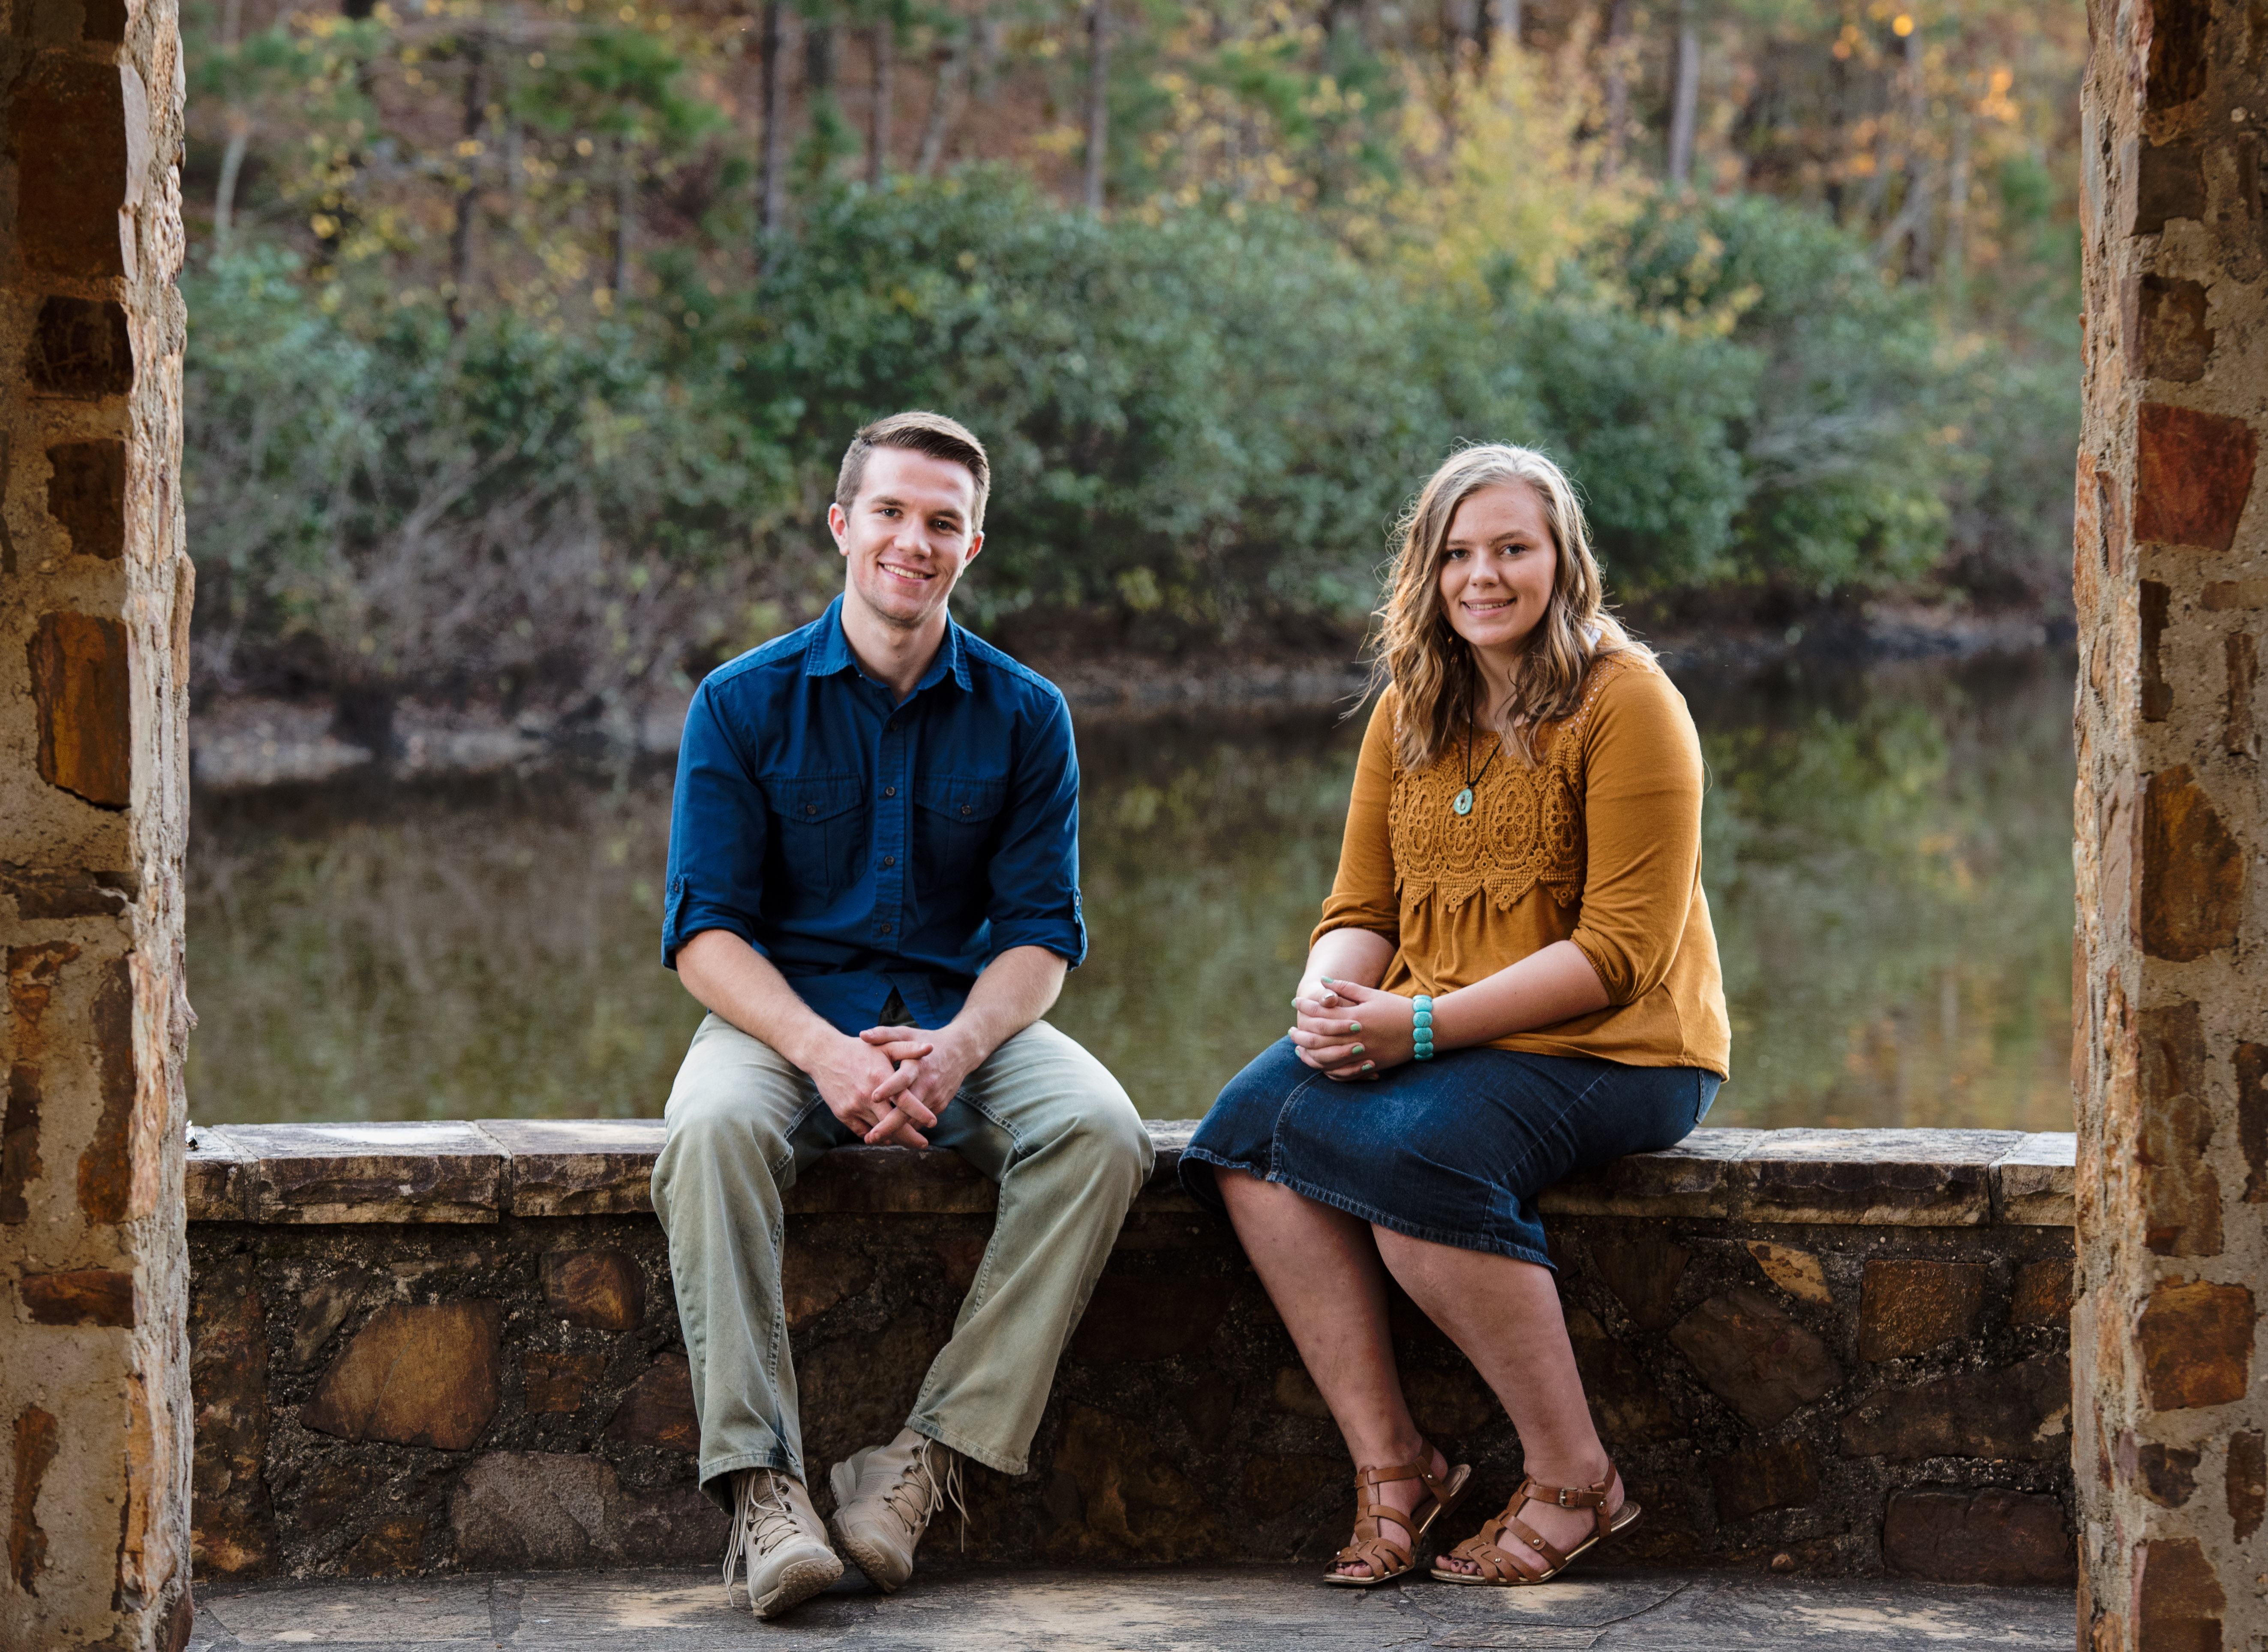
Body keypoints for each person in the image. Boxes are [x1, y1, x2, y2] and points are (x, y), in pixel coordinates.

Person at [1178, 443, 1729, 1590]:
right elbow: (1361, 906)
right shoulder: (1409, 710)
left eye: (1510, 549)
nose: (1483, 576)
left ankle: (1577, 1477)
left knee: (1418, 1155)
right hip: (1432, 1028)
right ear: (1426, 573)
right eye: (1458, 555)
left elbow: (1619, 955)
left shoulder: (1628, 703)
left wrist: (1415, 1032)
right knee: (1244, 1134)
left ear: (1559, 562)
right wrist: (1329, 995)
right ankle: (1396, 1467)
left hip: (1616, 1046)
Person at [651, 410, 1153, 1619]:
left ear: (972, 546)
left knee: (1101, 1131)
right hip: (782, 1022)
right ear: (843, 524)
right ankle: (763, 1490)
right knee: (710, 1132)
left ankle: (919, 1466)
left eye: (942, 522)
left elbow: (1041, 937)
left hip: (962, 1018)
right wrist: (820, 1051)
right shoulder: (741, 701)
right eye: (890, 512)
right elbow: (702, 935)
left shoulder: (1027, 714)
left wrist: (961, 1047)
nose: (912, 542)